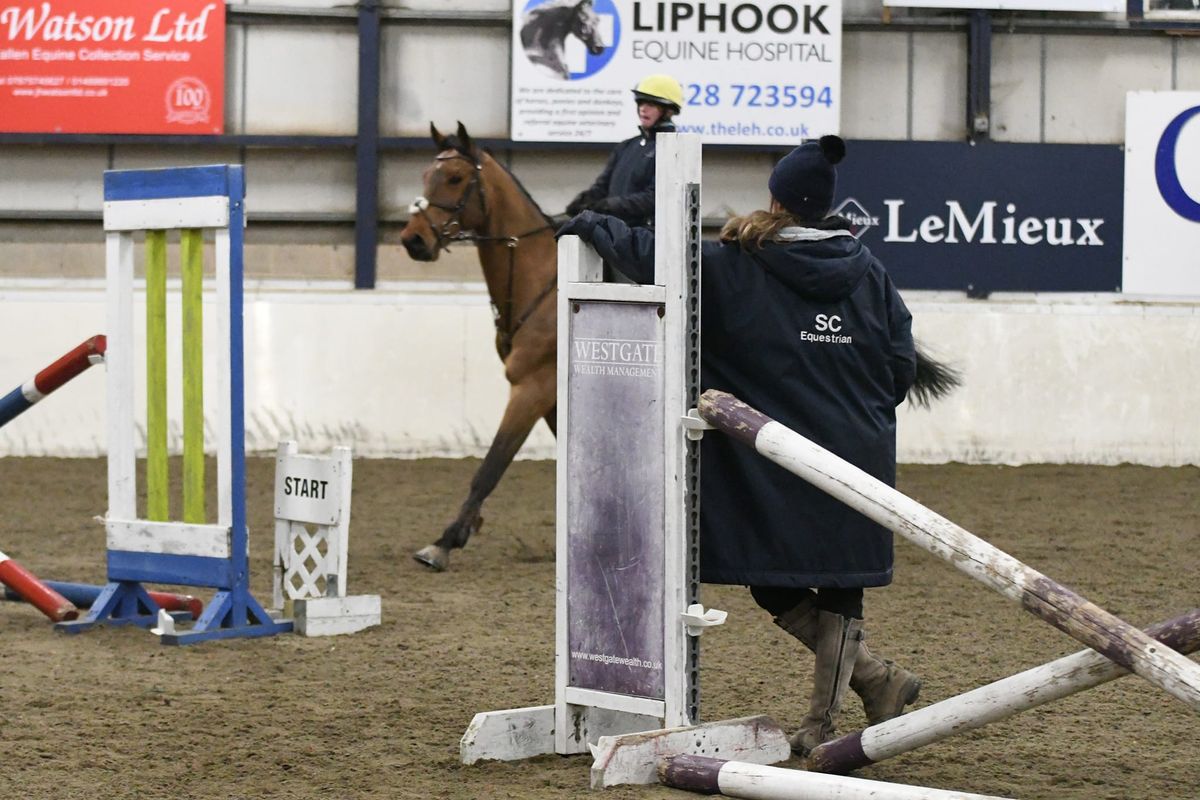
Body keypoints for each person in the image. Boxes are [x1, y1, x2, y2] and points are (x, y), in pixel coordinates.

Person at [557, 136, 922, 757]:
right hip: (857, 450)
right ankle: (860, 692)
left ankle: (853, 700)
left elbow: (653, 255)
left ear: (775, 199)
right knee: (838, 580)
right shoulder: (872, 273)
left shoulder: (736, 263)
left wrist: (589, 222)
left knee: (770, 577)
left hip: (773, 457)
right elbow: (901, 370)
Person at [564, 74, 683, 226]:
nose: (642, 109)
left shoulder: (674, 148)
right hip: (617, 233)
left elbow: (656, 198)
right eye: (640, 103)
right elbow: (602, 186)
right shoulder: (625, 147)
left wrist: (609, 205)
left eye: (651, 105)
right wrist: (585, 200)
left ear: (668, 111)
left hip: (647, 236)